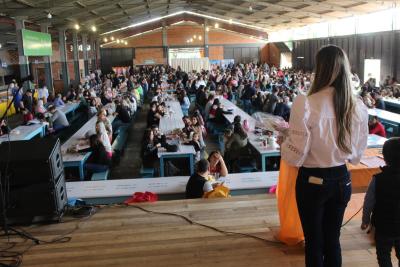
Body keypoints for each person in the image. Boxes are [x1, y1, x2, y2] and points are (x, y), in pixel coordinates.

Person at [280, 45, 368, 267]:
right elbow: (357, 153)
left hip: (312, 180)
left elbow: (296, 155)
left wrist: (286, 139)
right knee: (332, 241)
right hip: (342, 178)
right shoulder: (356, 105)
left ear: (320, 69)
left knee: (314, 243)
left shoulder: (307, 103)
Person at [361, 138, 400, 267]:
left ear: (385, 157)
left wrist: (365, 220)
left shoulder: (378, 179)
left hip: (383, 226)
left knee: (384, 255)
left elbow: (368, 202)